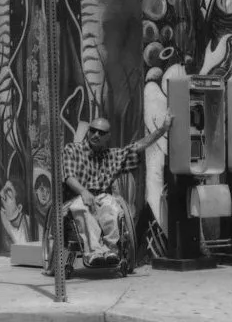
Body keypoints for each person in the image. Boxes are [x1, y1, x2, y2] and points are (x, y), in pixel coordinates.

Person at [62, 111, 172, 261]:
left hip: (101, 196)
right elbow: (68, 177)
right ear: (88, 132)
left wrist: (162, 130)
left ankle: (111, 251)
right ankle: (94, 252)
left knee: (112, 208)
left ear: (107, 137)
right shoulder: (72, 150)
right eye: (93, 130)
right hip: (76, 195)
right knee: (83, 208)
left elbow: (138, 146)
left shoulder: (112, 156)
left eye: (101, 133)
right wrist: (83, 192)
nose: (96, 135)